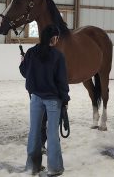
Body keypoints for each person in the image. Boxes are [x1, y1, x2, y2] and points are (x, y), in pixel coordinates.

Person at [19, 24, 70, 176]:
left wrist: (23, 61)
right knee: (53, 134)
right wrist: (65, 99)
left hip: (35, 98)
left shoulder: (31, 52)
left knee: (34, 131)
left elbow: (24, 72)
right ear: (53, 38)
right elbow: (62, 81)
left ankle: (32, 166)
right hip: (53, 100)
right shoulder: (58, 56)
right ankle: (55, 168)